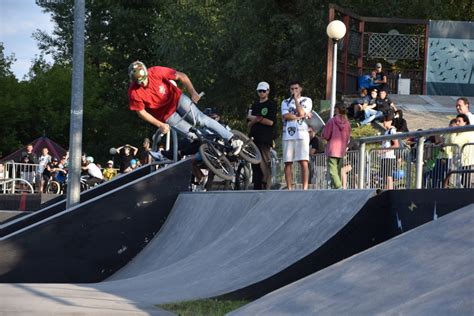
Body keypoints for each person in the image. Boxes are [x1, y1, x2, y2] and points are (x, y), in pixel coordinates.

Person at [127, 61, 243, 159]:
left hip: (178, 100)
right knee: (192, 135)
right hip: (167, 115)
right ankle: (214, 142)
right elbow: (141, 112)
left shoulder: (156, 71)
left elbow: (182, 76)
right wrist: (160, 124)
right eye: (139, 82)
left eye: (144, 79)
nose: (142, 83)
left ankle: (232, 139)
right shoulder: (134, 92)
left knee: (200, 120)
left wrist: (193, 92)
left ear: (147, 73)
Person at [281, 81, 313, 190]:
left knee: (303, 161)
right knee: (288, 162)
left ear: (300, 89)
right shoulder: (285, 102)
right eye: (292, 89)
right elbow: (286, 115)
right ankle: (289, 188)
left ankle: (304, 188)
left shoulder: (307, 100)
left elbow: (302, 112)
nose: (294, 91)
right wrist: (298, 117)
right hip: (288, 134)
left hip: (302, 133)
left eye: (296, 88)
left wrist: (295, 100)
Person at [247, 81, 277, 190]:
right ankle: (257, 186)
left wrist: (257, 119)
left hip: (265, 139)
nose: (262, 93)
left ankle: (266, 186)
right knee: (255, 163)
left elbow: (270, 122)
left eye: (264, 91)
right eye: (260, 91)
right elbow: (249, 123)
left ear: (268, 91)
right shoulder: (254, 106)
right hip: (253, 138)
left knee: (264, 163)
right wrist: (256, 119)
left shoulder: (271, 104)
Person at [322, 103, 352, 189]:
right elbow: (348, 137)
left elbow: (326, 135)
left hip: (332, 149)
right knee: (338, 171)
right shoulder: (347, 123)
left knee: (332, 171)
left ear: (336, 109)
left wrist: (323, 136)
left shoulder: (332, 121)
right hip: (341, 150)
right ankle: (336, 188)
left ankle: (338, 187)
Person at [451, 114, 474, 187]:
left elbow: (454, 142)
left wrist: (453, 131)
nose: (457, 123)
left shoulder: (465, 133)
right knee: (465, 183)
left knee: (467, 183)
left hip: (468, 163)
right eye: (456, 121)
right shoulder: (462, 133)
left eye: (459, 121)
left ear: (465, 123)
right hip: (465, 163)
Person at [380, 114, 399, 190]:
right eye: (384, 121)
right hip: (384, 157)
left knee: (388, 176)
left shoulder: (392, 130)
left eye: (386, 121)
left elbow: (396, 144)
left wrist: (384, 150)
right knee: (385, 176)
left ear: (390, 121)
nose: (384, 123)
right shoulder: (386, 131)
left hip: (389, 157)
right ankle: (385, 191)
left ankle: (390, 191)